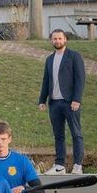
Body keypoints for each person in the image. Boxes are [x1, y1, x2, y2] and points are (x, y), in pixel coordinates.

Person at [38, 29, 86, 175]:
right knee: (58, 135)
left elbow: (80, 79)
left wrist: (77, 99)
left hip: (70, 102)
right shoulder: (49, 59)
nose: (57, 41)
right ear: (51, 40)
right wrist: (42, 100)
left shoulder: (74, 56)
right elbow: (46, 81)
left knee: (76, 134)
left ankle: (78, 165)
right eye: (54, 39)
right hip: (55, 103)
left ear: (65, 39)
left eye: (60, 38)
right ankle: (60, 166)